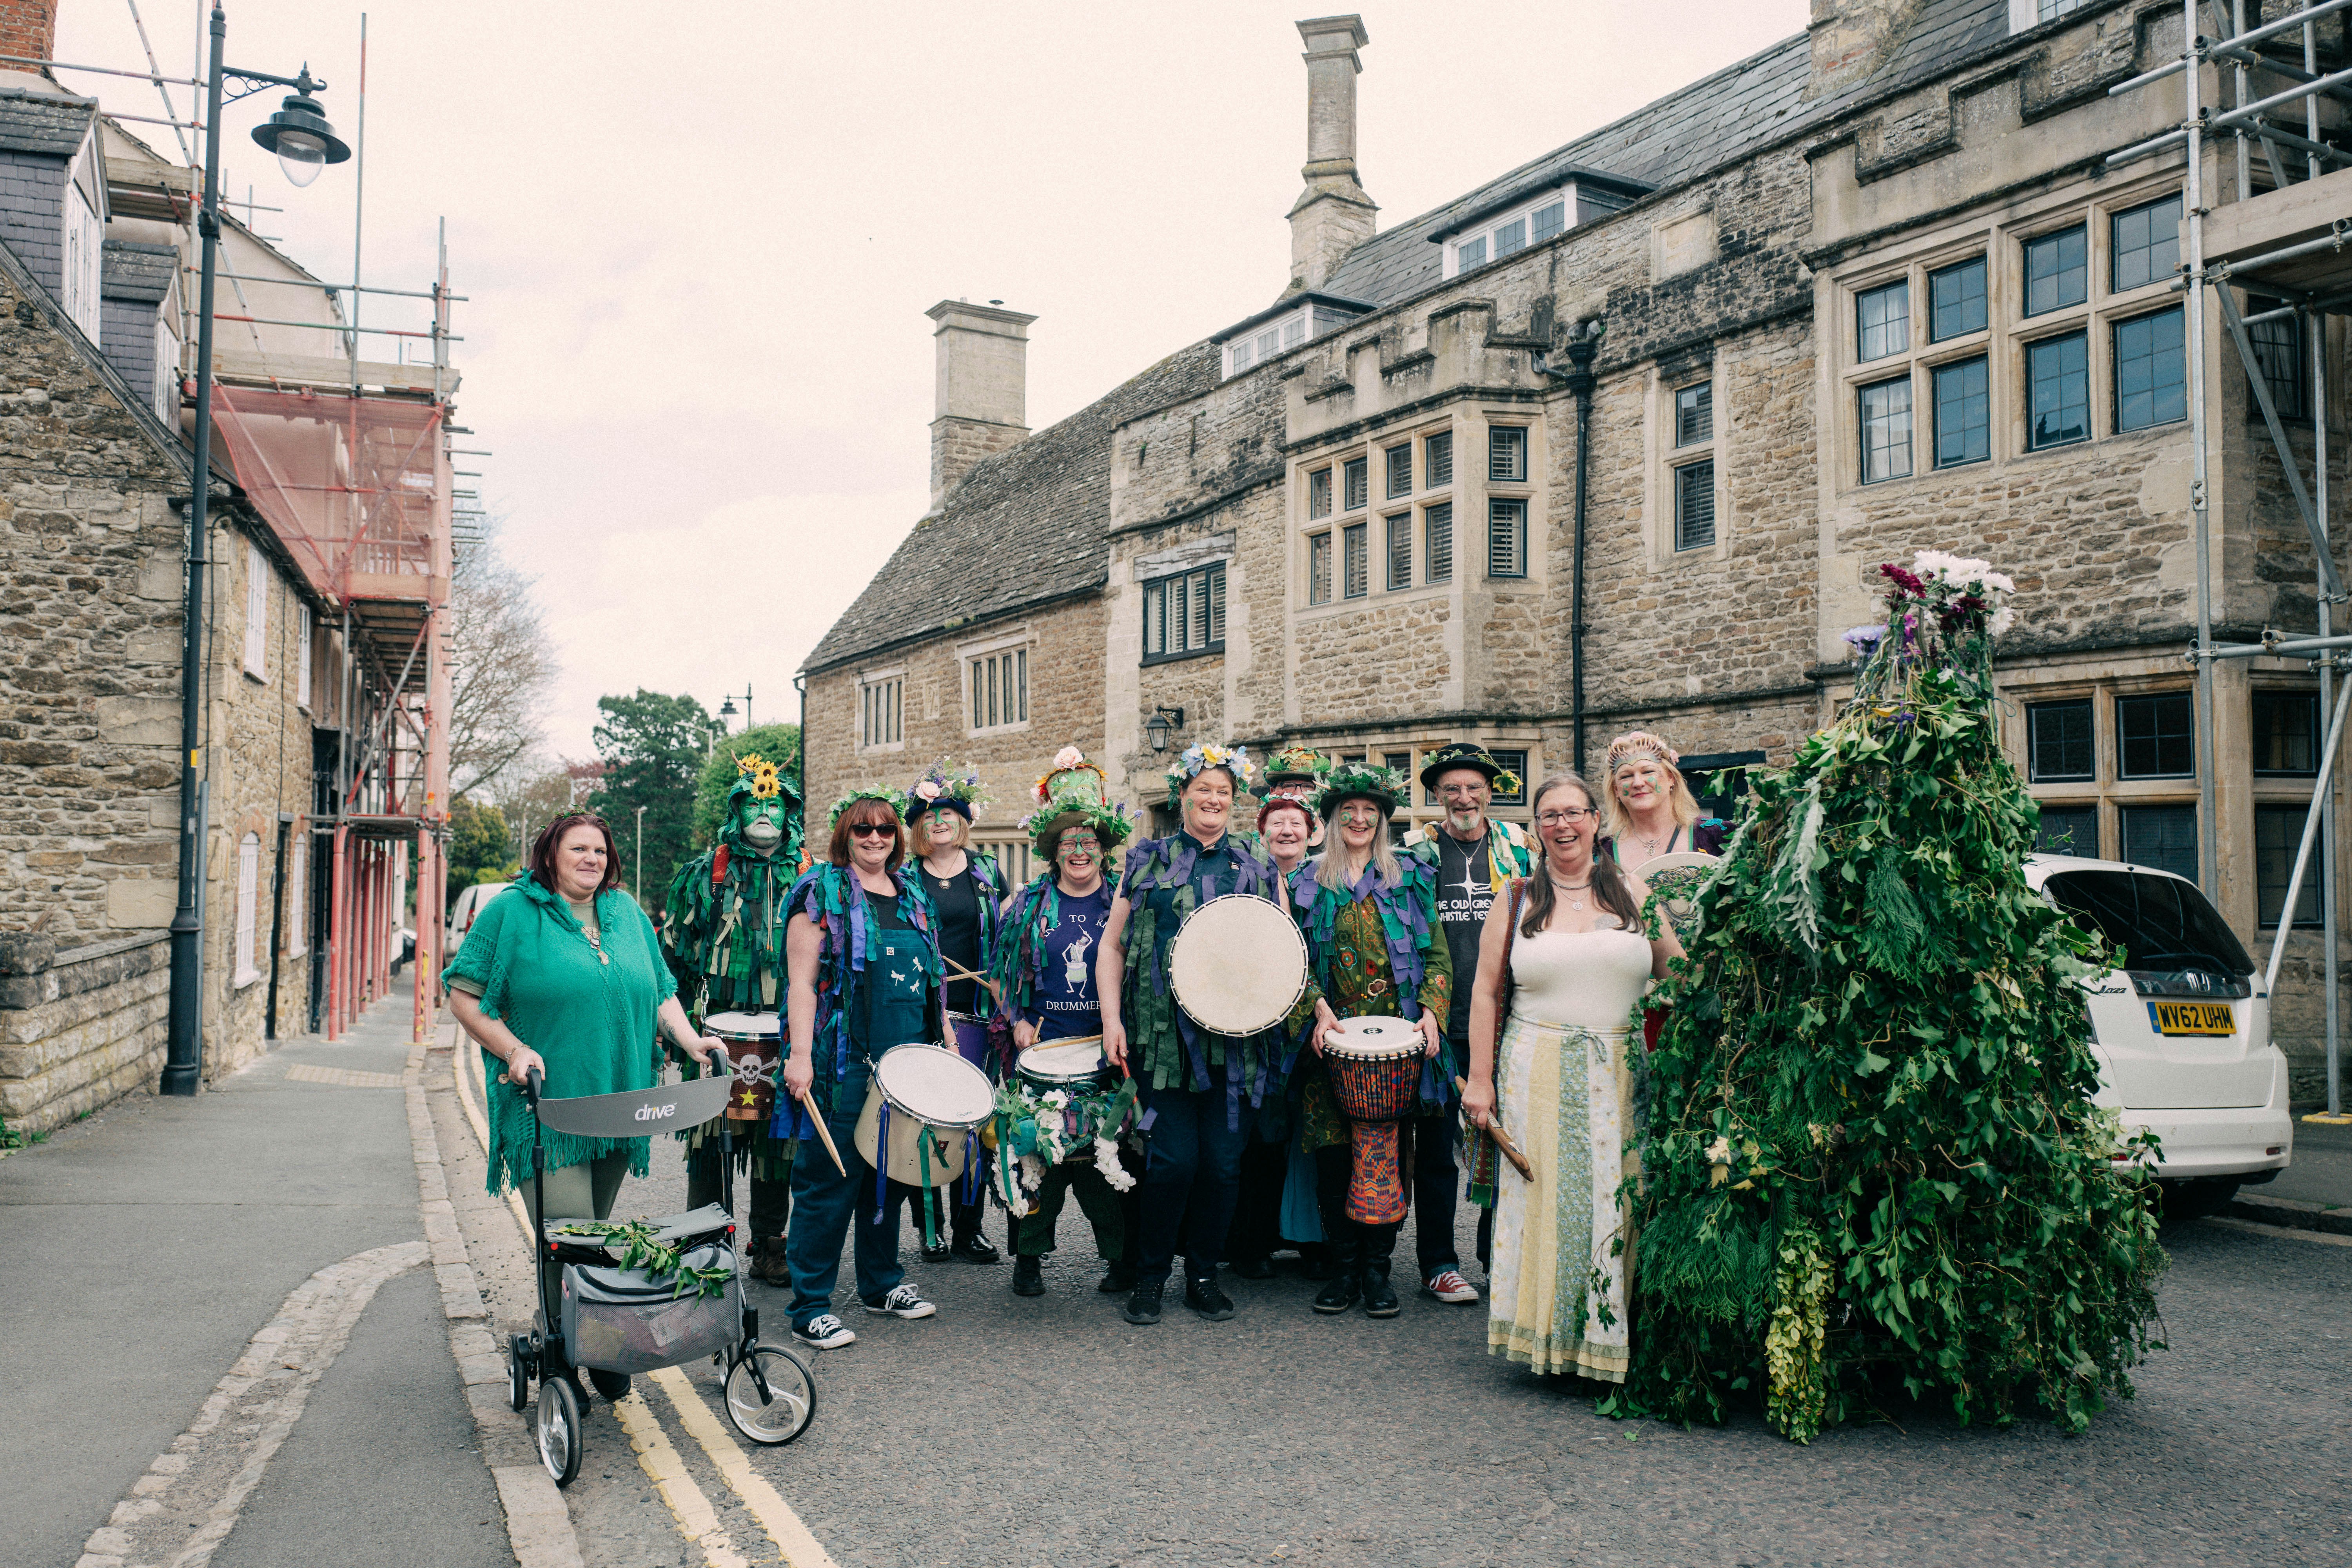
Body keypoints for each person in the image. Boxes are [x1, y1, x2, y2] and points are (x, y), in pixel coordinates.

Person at [444, 811, 724, 1401]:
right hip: (545, 1107)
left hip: (620, 1104)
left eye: (600, 849)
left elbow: (662, 993)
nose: (591, 859)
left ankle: (593, 1339)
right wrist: (514, 1050)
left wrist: (691, 1040)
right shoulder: (511, 913)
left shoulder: (626, 914)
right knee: (567, 1239)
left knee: (593, 1236)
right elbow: (464, 997)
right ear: (551, 854)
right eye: (578, 849)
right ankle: (567, 1354)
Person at [1461, 773, 1683, 1382]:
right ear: (1538, 829)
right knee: (1548, 1206)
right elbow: (1484, 993)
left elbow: (1679, 973)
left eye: (1574, 813)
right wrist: (1480, 1082)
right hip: (1538, 1066)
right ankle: (1551, 1340)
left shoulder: (1634, 892)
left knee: (1618, 1203)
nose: (1563, 825)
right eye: (1549, 816)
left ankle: (1607, 1337)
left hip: (1622, 1068)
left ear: (1595, 821)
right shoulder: (1517, 898)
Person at [1098, 742, 1286, 1326]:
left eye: (1223, 792)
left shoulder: (1258, 863)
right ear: (1182, 795)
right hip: (1163, 1048)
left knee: (1222, 1167)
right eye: (1203, 789)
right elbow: (1111, 945)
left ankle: (1203, 1275)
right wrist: (1112, 1019)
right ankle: (1151, 1276)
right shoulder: (1146, 861)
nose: (1212, 800)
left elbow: (1285, 947)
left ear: (1235, 801)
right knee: (1173, 1163)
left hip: (1236, 1044)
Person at [776, 791, 945, 1350]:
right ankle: (810, 1306)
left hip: (906, 1065)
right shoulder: (820, 892)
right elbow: (801, 983)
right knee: (830, 1181)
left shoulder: (912, 893)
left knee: (889, 1179)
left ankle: (881, 1285)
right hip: (842, 1063)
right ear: (845, 836)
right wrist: (799, 1056)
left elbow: (931, 980)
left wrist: (943, 1038)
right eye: (863, 831)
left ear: (899, 838)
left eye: (886, 832)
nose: (875, 840)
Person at [1290, 764, 1452, 1318]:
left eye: (1371, 812)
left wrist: (1432, 1013)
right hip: (1330, 1040)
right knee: (1335, 1159)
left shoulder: (1411, 876)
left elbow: (1435, 953)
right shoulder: (1306, 882)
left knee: (1385, 1159)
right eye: (1348, 811)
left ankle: (1379, 1272)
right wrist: (1314, 1007)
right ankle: (1343, 1270)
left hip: (1397, 1044)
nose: (1359, 819)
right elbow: (1289, 961)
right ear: (1332, 820)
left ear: (1382, 820)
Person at [992, 750, 1135, 1298]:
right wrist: (1019, 1020)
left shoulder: (1124, 899)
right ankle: (1028, 1260)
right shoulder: (1026, 904)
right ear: (1053, 850)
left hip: (1106, 1053)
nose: (1080, 850)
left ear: (1103, 847)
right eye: (1069, 842)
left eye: (1089, 841)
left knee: (1105, 1162)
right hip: (1044, 1051)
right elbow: (1003, 980)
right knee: (1036, 1155)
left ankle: (1119, 1260)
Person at [1399, 741, 1534, 1298]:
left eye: (1474, 787)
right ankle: (1438, 1263)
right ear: (1435, 795)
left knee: (1504, 1143)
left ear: (1490, 792)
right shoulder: (1415, 854)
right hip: (1437, 1021)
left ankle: (1496, 1256)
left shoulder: (1520, 852)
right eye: (1451, 788)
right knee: (1436, 1153)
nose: (1463, 797)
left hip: (1510, 1018)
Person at [661, 752, 800, 1285]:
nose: (764, 812)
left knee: (777, 1148)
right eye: (754, 803)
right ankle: (703, 1247)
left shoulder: (812, 877)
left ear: (790, 815)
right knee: (709, 1144)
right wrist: (682, 1035)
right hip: (714, 1036)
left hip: (785, 1033)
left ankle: (770, 1245)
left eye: (775, 804)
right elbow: (671, 957)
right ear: (735, 811)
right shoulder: (703, 876)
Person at [903, 761, 1006, 1265]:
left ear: (962, 819)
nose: (938, 821)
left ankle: (970, 1228)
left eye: (946, 812)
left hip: (980, 1014)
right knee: (926, 1121)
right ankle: (930, 1228)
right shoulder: (903, 878)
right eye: (927, 814)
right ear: (917, 827)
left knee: (975, 1121)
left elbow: (1008, 939)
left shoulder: (988, 871)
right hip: (923, 1015)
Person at [1225, 789, 1321, 1280]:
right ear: (1263, 832)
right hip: (1260, 1027)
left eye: (1296, 823)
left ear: (1312, 833)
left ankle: (1311, 1241)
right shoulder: (1244, 878)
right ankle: (1252, 1240)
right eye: (1277, 823)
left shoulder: (1327, 880)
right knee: (1261, 1137)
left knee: (1312, 1139)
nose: (1287, 830)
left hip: (1317, 1023)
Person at [1599, 730, 1728, 866]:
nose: (1638, 783)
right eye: (1626, 776)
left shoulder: (1720, 836)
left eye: (1648, 772)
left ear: (1671, 778)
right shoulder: (1600, 855)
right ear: (1616, 789)